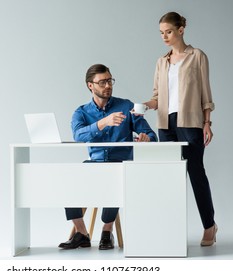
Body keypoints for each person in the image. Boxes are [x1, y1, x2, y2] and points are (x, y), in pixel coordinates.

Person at [58, 63, 157, 250]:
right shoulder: (81, 112)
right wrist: (103, 123)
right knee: (69, 179)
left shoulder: (126, 106)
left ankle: (107, 230)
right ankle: (81, 232)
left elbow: (151, 134)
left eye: (109, 81)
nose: (108, 86)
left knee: (116, 176)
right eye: (102, 82)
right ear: (90, 85)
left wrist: (146, 138)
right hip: (95, 163)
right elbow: (78, 135)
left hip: (121, 164)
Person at [143, 12, 217, 246]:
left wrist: (207, 123)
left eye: (169, 31)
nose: (165, 37)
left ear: (181, 29)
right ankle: (169, 230)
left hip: (191, 122)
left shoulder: (197, 57)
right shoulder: (161, 61)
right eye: (162, 33)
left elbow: (206, 93)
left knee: (196, 174)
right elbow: (157, 97)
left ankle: (209, 226)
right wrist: (144, 106)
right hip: (166, 125)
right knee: (169, 178)